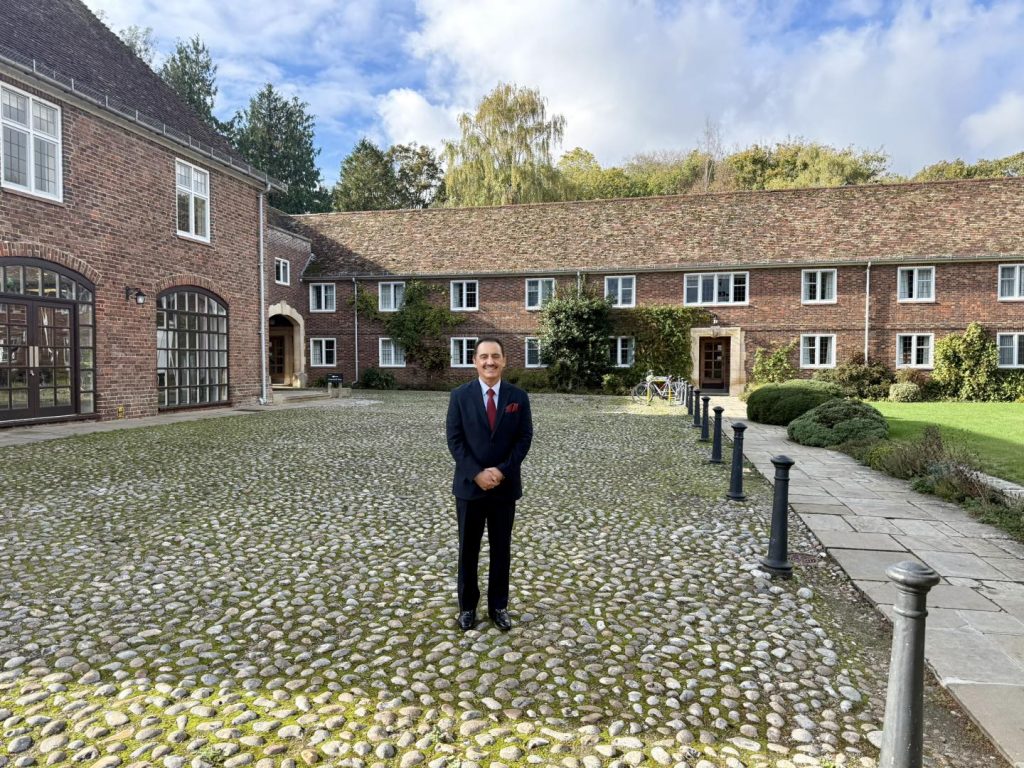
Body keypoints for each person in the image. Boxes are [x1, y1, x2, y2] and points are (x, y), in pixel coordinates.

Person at [445, 337, 533, 632]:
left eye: (495, 356)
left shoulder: (518, 397)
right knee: (468, 549)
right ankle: (467, 607)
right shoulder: (460, 396)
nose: (490, 362)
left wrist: (502, 471)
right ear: (475, 362)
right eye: (484, 357)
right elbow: (455, 440)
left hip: (504, 487)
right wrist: (476, 473)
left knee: (501, 549)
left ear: (504, 360)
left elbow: (524, 439)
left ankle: (498, 606)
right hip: (469, 488)